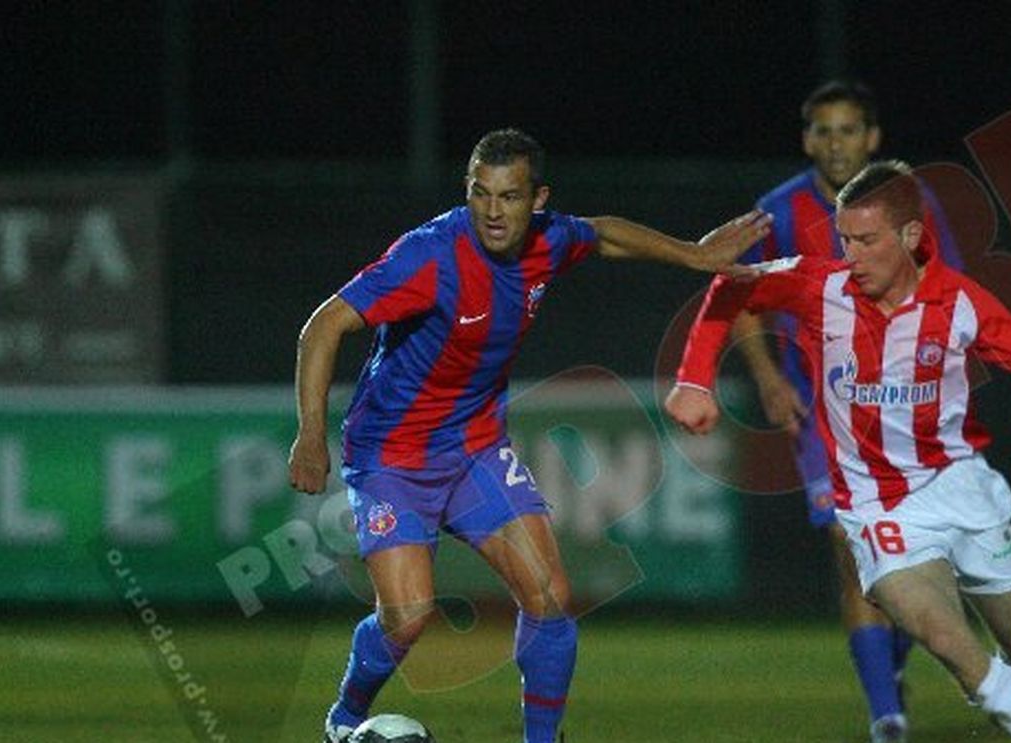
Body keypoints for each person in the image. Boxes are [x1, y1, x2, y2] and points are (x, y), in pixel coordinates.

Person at [288, 128, 771, 743]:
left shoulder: (549, 240)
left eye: (509, 196)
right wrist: (310, 436)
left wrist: (693, 256)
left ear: (537, 199)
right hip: (392, 459)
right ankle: (345, 720)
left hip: (475, 450)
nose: (492, 211)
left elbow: (604, 233)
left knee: (549, 596)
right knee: (408, 618)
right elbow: (323, 327)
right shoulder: (429, 254)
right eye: (479, 194)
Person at [666, 160, 1011, 743]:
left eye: (867, 240)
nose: (852, 255)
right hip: (877, 508)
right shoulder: (819, 285)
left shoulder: (959, 303)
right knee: (949, 641)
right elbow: (729, 285)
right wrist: (695, 378)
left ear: (912, 236)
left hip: (960, 485)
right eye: (844, 238)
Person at [728, 79, 964, 742]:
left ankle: (887, 672)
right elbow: (740, 299)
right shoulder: (777, 211)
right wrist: (771, 377)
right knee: (853, 551)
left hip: (907, 414)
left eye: (848, 130)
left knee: (920, 568)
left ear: (873, 138)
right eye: (824, 131)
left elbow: (948, 291)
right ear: (808, 140)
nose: (836, 144)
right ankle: (885, 715)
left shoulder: (910, 202)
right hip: (825, 419)